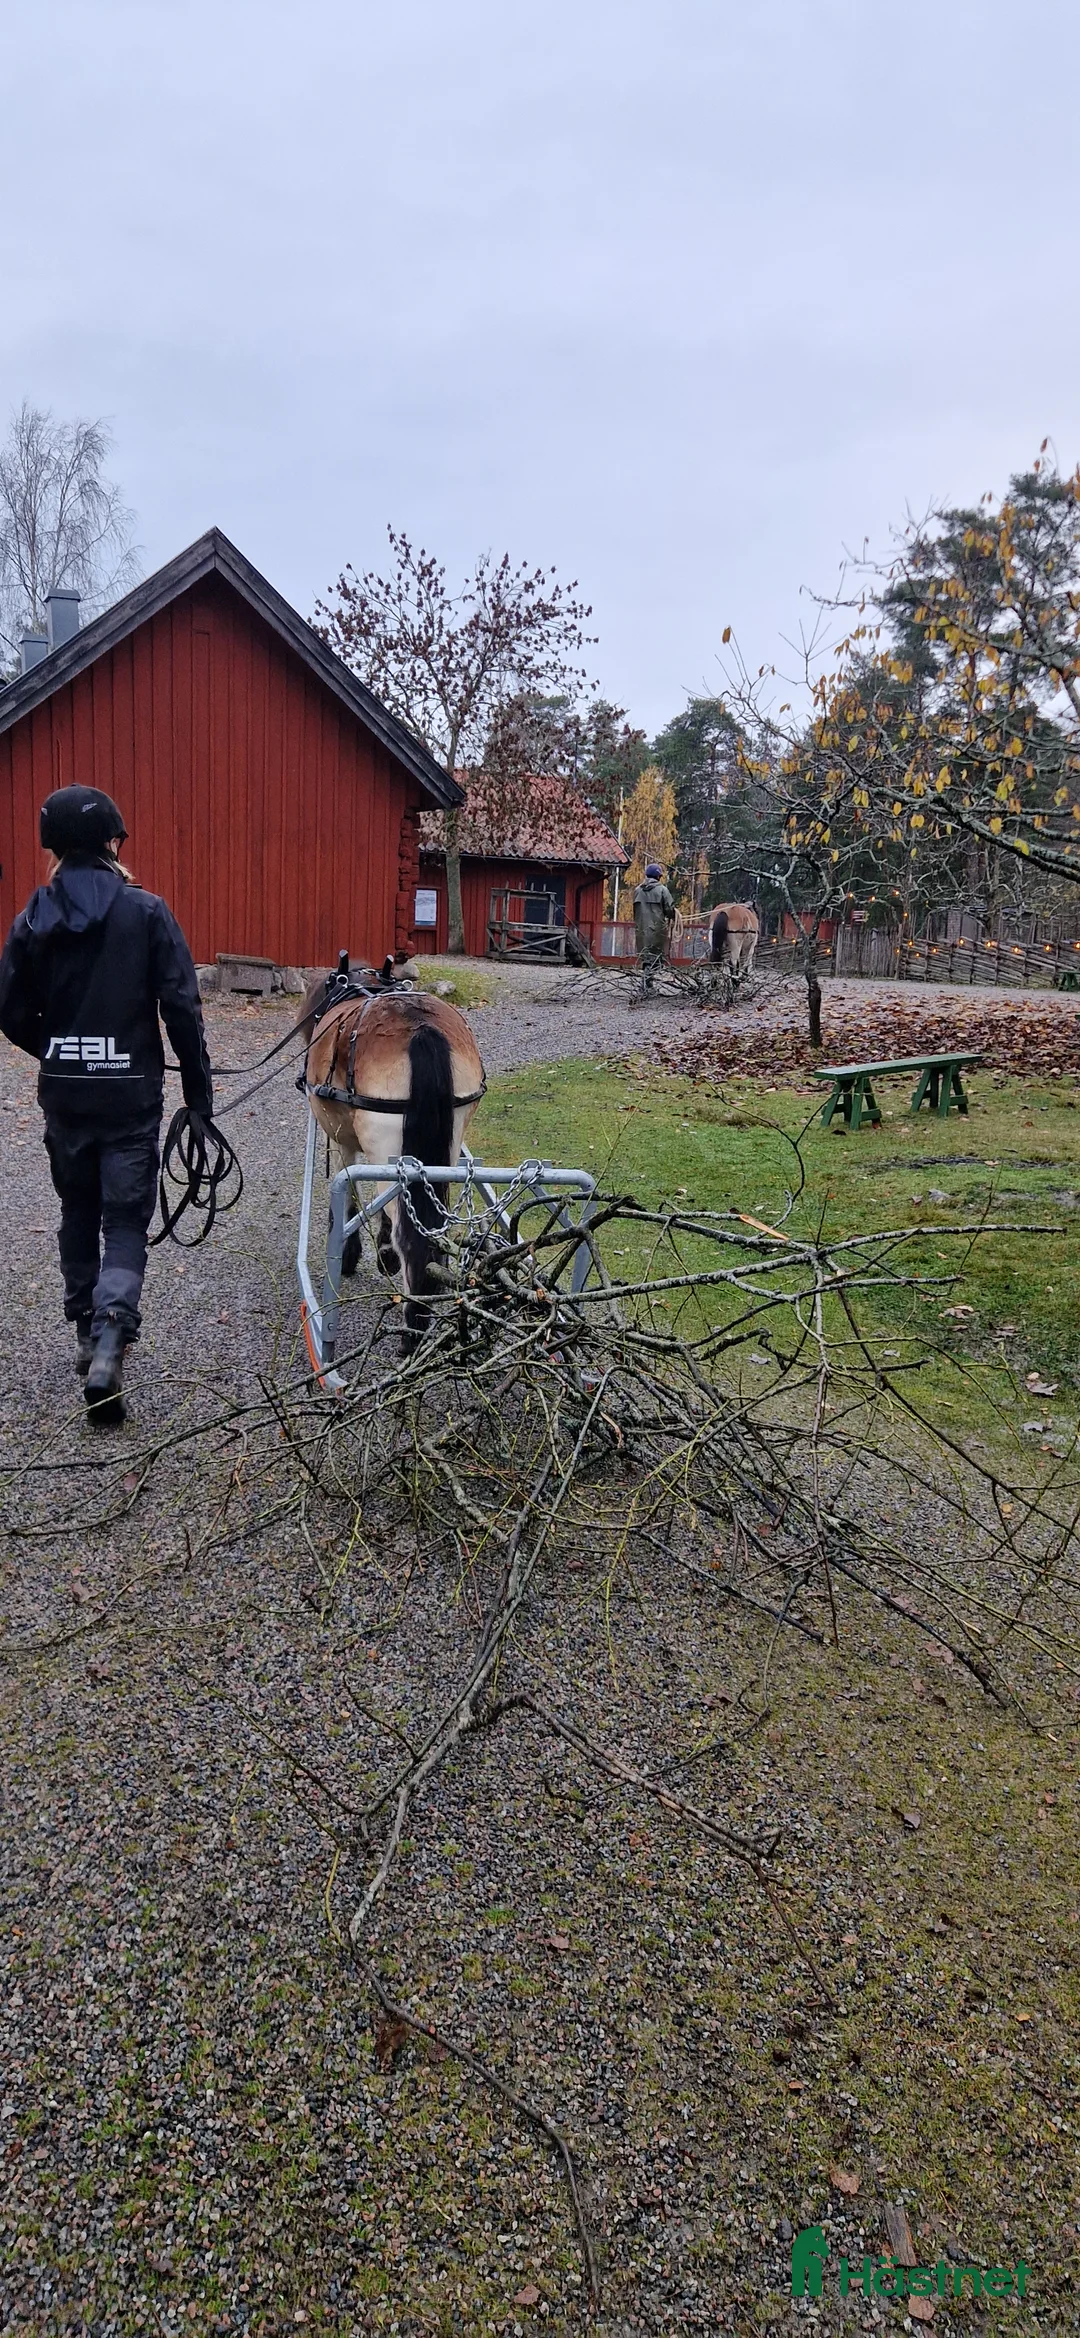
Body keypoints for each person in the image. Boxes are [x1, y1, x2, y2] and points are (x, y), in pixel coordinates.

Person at [0, 785, 213, 1423]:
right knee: (123, 1220)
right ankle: (112, 1336)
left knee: (77, 1208)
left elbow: (8, 1009)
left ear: (55, 850)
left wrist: (60, 1047)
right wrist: (198, 1100)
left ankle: (86, 1333)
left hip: (66, 1098)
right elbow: (181, 1006)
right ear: (112, 844)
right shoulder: (147, 913)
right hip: (130, 1101)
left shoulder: (33, 918)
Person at [632, 862, 676, 991]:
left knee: (646, 955)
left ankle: (646, 983)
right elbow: (669, 909)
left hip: (641, 928)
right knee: (655, 955)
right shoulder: (662, 890)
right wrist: (674, 915)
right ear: (658, 877)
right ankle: (648, 984)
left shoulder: (637, 890)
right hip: (657, 928)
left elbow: (635, 911)